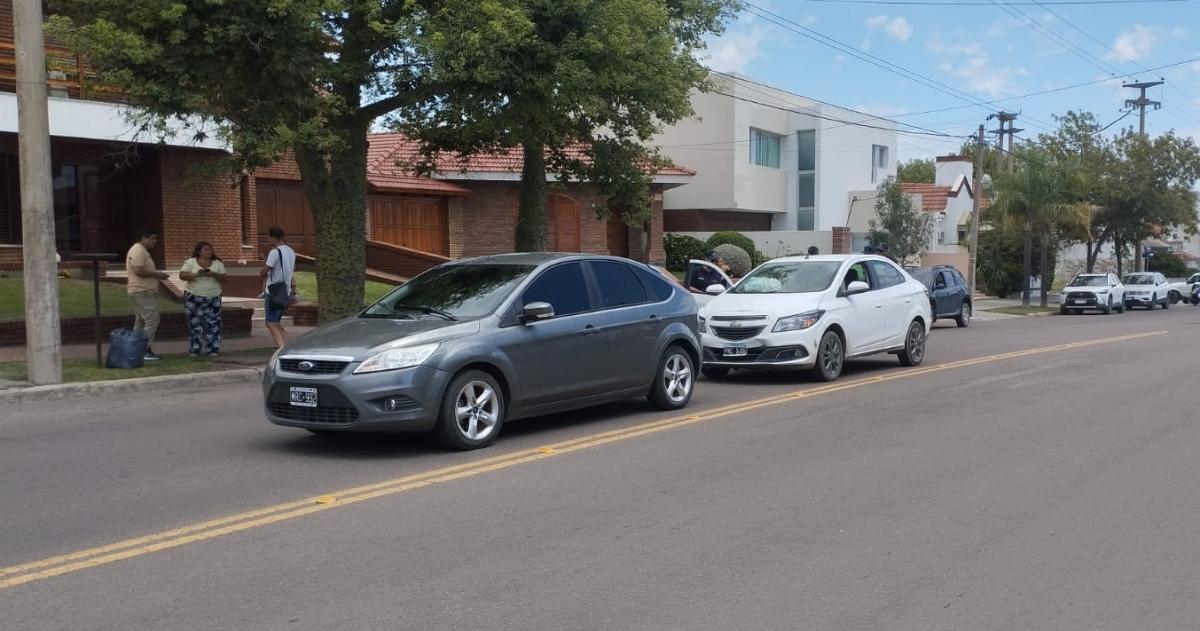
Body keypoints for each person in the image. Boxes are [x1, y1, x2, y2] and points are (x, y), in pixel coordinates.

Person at [126, 229, 169, 361]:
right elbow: (137, 270)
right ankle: (145, 350)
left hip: (143, 290)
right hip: (141, 290)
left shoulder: (142, 251)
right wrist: (157, 274)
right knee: (152, 319)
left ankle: (135, 349)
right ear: (144, 238)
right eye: (152, 238)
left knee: (140, 322)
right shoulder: (138, 250)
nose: (155, 241)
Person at [179, 241, 227, 358]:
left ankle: (213, 349)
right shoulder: (190, 262)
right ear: (199, 251)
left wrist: (213, 274)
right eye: (206, 249)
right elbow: (182, 275)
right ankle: (195, 349)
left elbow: (224, 277)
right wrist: (196, 274)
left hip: (213, 296)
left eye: (210, 249)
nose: (209, 252)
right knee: (195, 323)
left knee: (213, 323)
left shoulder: (217, 263)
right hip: (194, 296)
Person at [261, 225, 297, 348]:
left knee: (270, 322)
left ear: (273, 237)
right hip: (285, 290)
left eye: (269, 237)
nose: (268, 240)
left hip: (273, 291)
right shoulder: (291, 251)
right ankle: (287, 345)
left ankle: (281, 348)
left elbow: (266, 269)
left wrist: (263, 269)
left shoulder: (275, 252)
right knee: (276, 321)